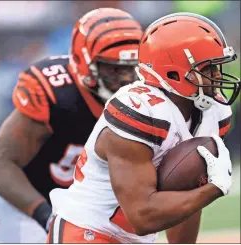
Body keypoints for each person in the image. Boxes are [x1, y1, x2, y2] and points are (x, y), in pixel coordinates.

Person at [48, 12, 240, 243]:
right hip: (88, 230)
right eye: (208, 69)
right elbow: (142, 217)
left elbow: (184, 189)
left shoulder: (214, 112)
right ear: (174, 72)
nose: (217, 76)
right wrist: (213, 189)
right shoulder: (139, 110)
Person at [0, 8, 142, 243]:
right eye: (114, 68)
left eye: (132, 67)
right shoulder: (58, 91)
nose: (127, 79)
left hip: (81, 212)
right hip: (18, 206)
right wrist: (46, 216)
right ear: (83, 61)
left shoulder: (145, 97)